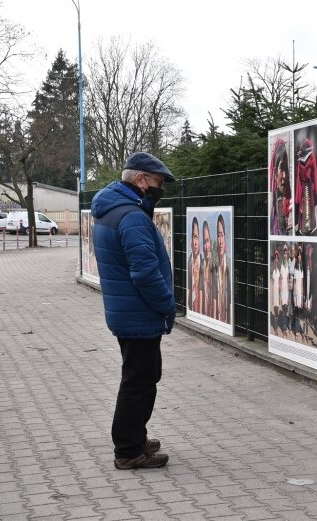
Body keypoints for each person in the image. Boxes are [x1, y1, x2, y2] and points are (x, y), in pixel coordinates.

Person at [91, 151, 176, 470]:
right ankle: (128, 450)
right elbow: (144, 272)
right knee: (138, 382)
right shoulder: (131, 216)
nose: (159, 188)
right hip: (138, 313)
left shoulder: (112, 209)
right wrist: (166, 303)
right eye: (157, 182)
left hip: (126, 311)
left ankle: (134, 437)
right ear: (140, 180)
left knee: (143, 377)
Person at [295, 137, 317, 235]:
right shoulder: (312, 157)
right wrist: (316, 188)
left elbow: (298, 177)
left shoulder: (299, 160)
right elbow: (315, 175)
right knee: (309, 203)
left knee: (304, 204)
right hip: (309, 185)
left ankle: (304, 226)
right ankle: (309, 226)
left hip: (303, 185)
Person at [269, 138, 292, 235]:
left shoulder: (291, 202)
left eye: (286, 169)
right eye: (281, 168)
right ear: (274, 173)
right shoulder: (273, 209)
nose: (284, 176)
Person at [215, 214, 231, 323]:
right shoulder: (214, 265)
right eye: (218, 235)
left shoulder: (229, 263)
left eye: (222, 235)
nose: (220, 240)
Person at [201, 221, 216, 318]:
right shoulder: (200, 265)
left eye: (208, 240)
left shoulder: (214, 265)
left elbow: (215, 296)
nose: (206, 246)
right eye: (204, 241)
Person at [188, 217, 202, 313]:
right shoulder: (189, 263)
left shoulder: (205, 265)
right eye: (194, 236)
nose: (195, 242)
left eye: (197, 237)